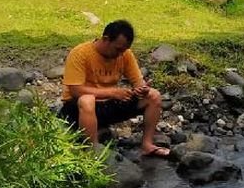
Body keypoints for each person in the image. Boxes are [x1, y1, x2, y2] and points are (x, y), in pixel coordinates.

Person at [60, 20, 168, 156]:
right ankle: (92, 151)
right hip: (78, 108)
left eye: (124, 50)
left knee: (153, 95)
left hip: (108, 105)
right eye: (117, 49)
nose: (120, 54)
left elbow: (137, 81)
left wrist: (142, 89)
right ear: (106, 39)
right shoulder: (80, 53)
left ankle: (147, 144)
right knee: (87, 100)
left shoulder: (124, 54)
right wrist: (112, 92)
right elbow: (76, 91)